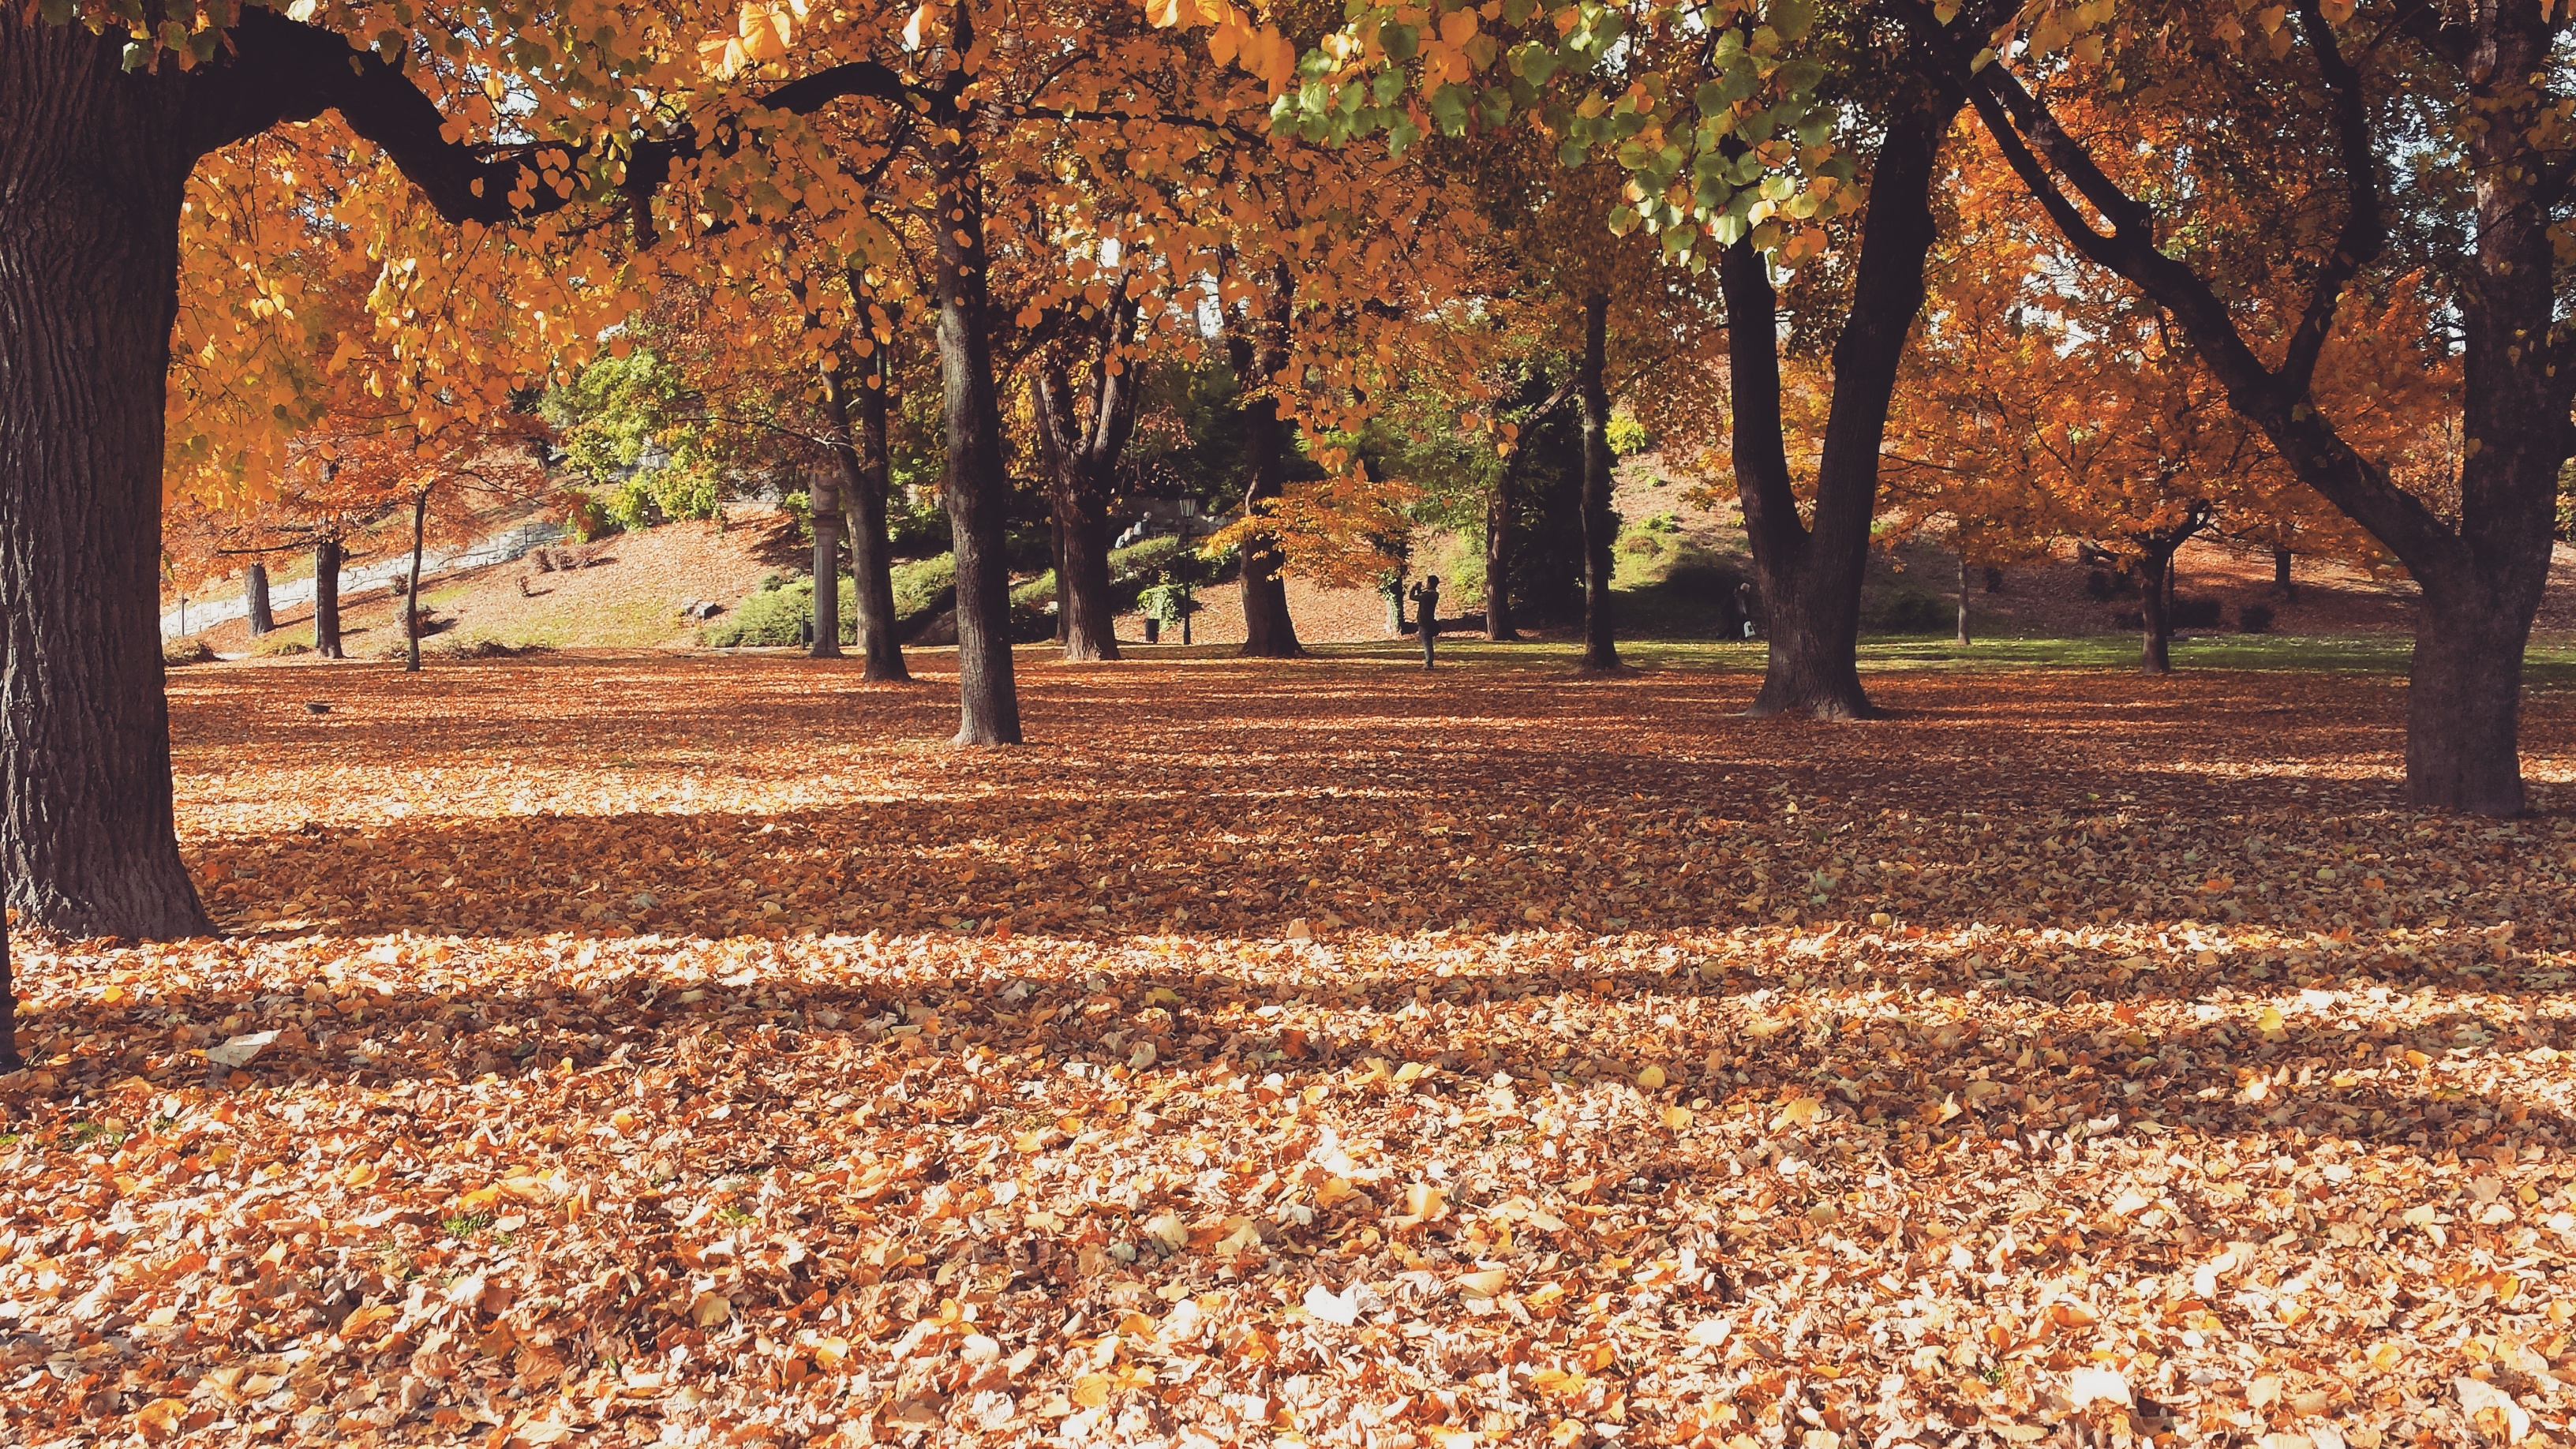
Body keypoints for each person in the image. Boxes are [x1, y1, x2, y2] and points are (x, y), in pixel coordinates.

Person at [1407, 575, 1441, 670]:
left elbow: (1412, 597)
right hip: (1430, 621)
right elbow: (1421, 597)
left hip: (1424, 622)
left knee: (1427, 643)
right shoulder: (1434, 594)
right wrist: (1419, 590)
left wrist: (1415, 588)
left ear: (1430, 584)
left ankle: (1428, 663)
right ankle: (1429, 662)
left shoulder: (1427, 595)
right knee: (1428, 642)